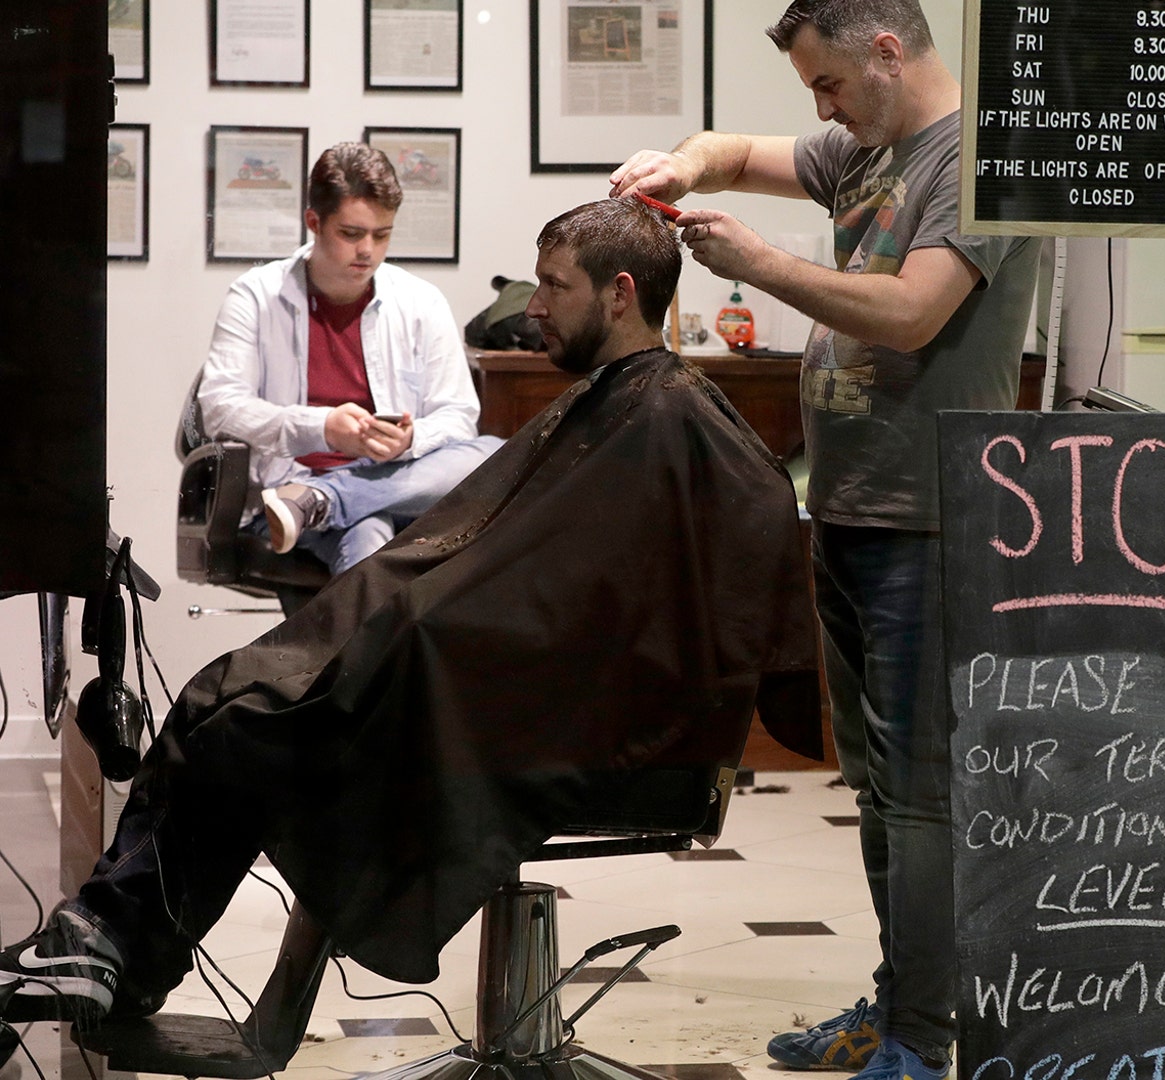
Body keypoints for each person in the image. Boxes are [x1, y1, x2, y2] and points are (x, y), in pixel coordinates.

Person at [0, 198, 821, 1028]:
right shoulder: (627, 402)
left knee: (242, 730)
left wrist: (412, 636)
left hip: (571, 727)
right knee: (221, 697)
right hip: (527, 690)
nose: (533, 306)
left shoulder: (668, 414)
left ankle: (114, 950)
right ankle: (112, 951)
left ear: (619, 293)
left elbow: (639, 583)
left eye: (553, 285)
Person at [609, 3, 1040, 1078]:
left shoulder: (977, 163)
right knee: (878, 791)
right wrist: (679, 166)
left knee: (922, 797)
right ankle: (898, 1004)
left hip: (928, 519)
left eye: (830, 85)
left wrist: (756, 261)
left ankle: (923, 1039)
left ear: (887, 51)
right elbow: (732, 152)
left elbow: (910, 312)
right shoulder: (864, 148)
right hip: (849, 509)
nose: (823, 110)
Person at [195, 142, 503, 575]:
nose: (368, 251)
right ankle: (320, 498)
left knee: (493, 455)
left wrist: (409, 441)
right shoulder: (255, 296)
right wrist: (322, 429)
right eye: (352, 234)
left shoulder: (422, 301)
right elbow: (220, 409)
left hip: (394, 481)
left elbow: (458, 418)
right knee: (371, 532)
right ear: (314, 222)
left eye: (382, 234)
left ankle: (323, 500)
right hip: (288, 486)